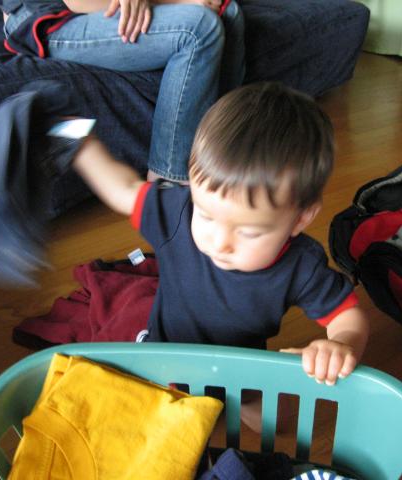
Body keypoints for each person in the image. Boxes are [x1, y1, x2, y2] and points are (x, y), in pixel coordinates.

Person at [72, 82, 370, 389]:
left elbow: (348, 316)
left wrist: (341, 345)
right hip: (164, 356)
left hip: (241, 372)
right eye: (206, 214)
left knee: (267, 424)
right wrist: (80, 144)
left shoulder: (301, 266)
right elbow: (123, 189)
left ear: (301, 218)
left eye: (249, 231)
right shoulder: (178, 213)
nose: (220, 242)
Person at [1, 0, 245, 183]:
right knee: (197, 30)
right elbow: (79, 2)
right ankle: (167, 184)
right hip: (52, 15)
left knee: (228, 12)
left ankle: (216, 163)